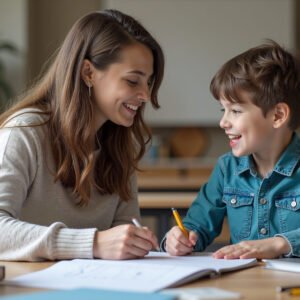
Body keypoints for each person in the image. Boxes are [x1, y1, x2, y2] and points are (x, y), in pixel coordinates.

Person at [0, 9, 164, 261]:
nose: (146, 95)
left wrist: (134, 243)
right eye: (133, 81)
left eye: (149, 82)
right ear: (88, 73)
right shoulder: (24, 132)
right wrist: (93, 243)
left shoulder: (121, 145)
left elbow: (122, 233)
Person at [164, 40, 300, 259]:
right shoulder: (227, 168)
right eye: (223, 110)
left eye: (235, 111)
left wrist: (279, 244)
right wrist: (180, 238)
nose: (223, 122)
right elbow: (196, 226)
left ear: (278, 116)